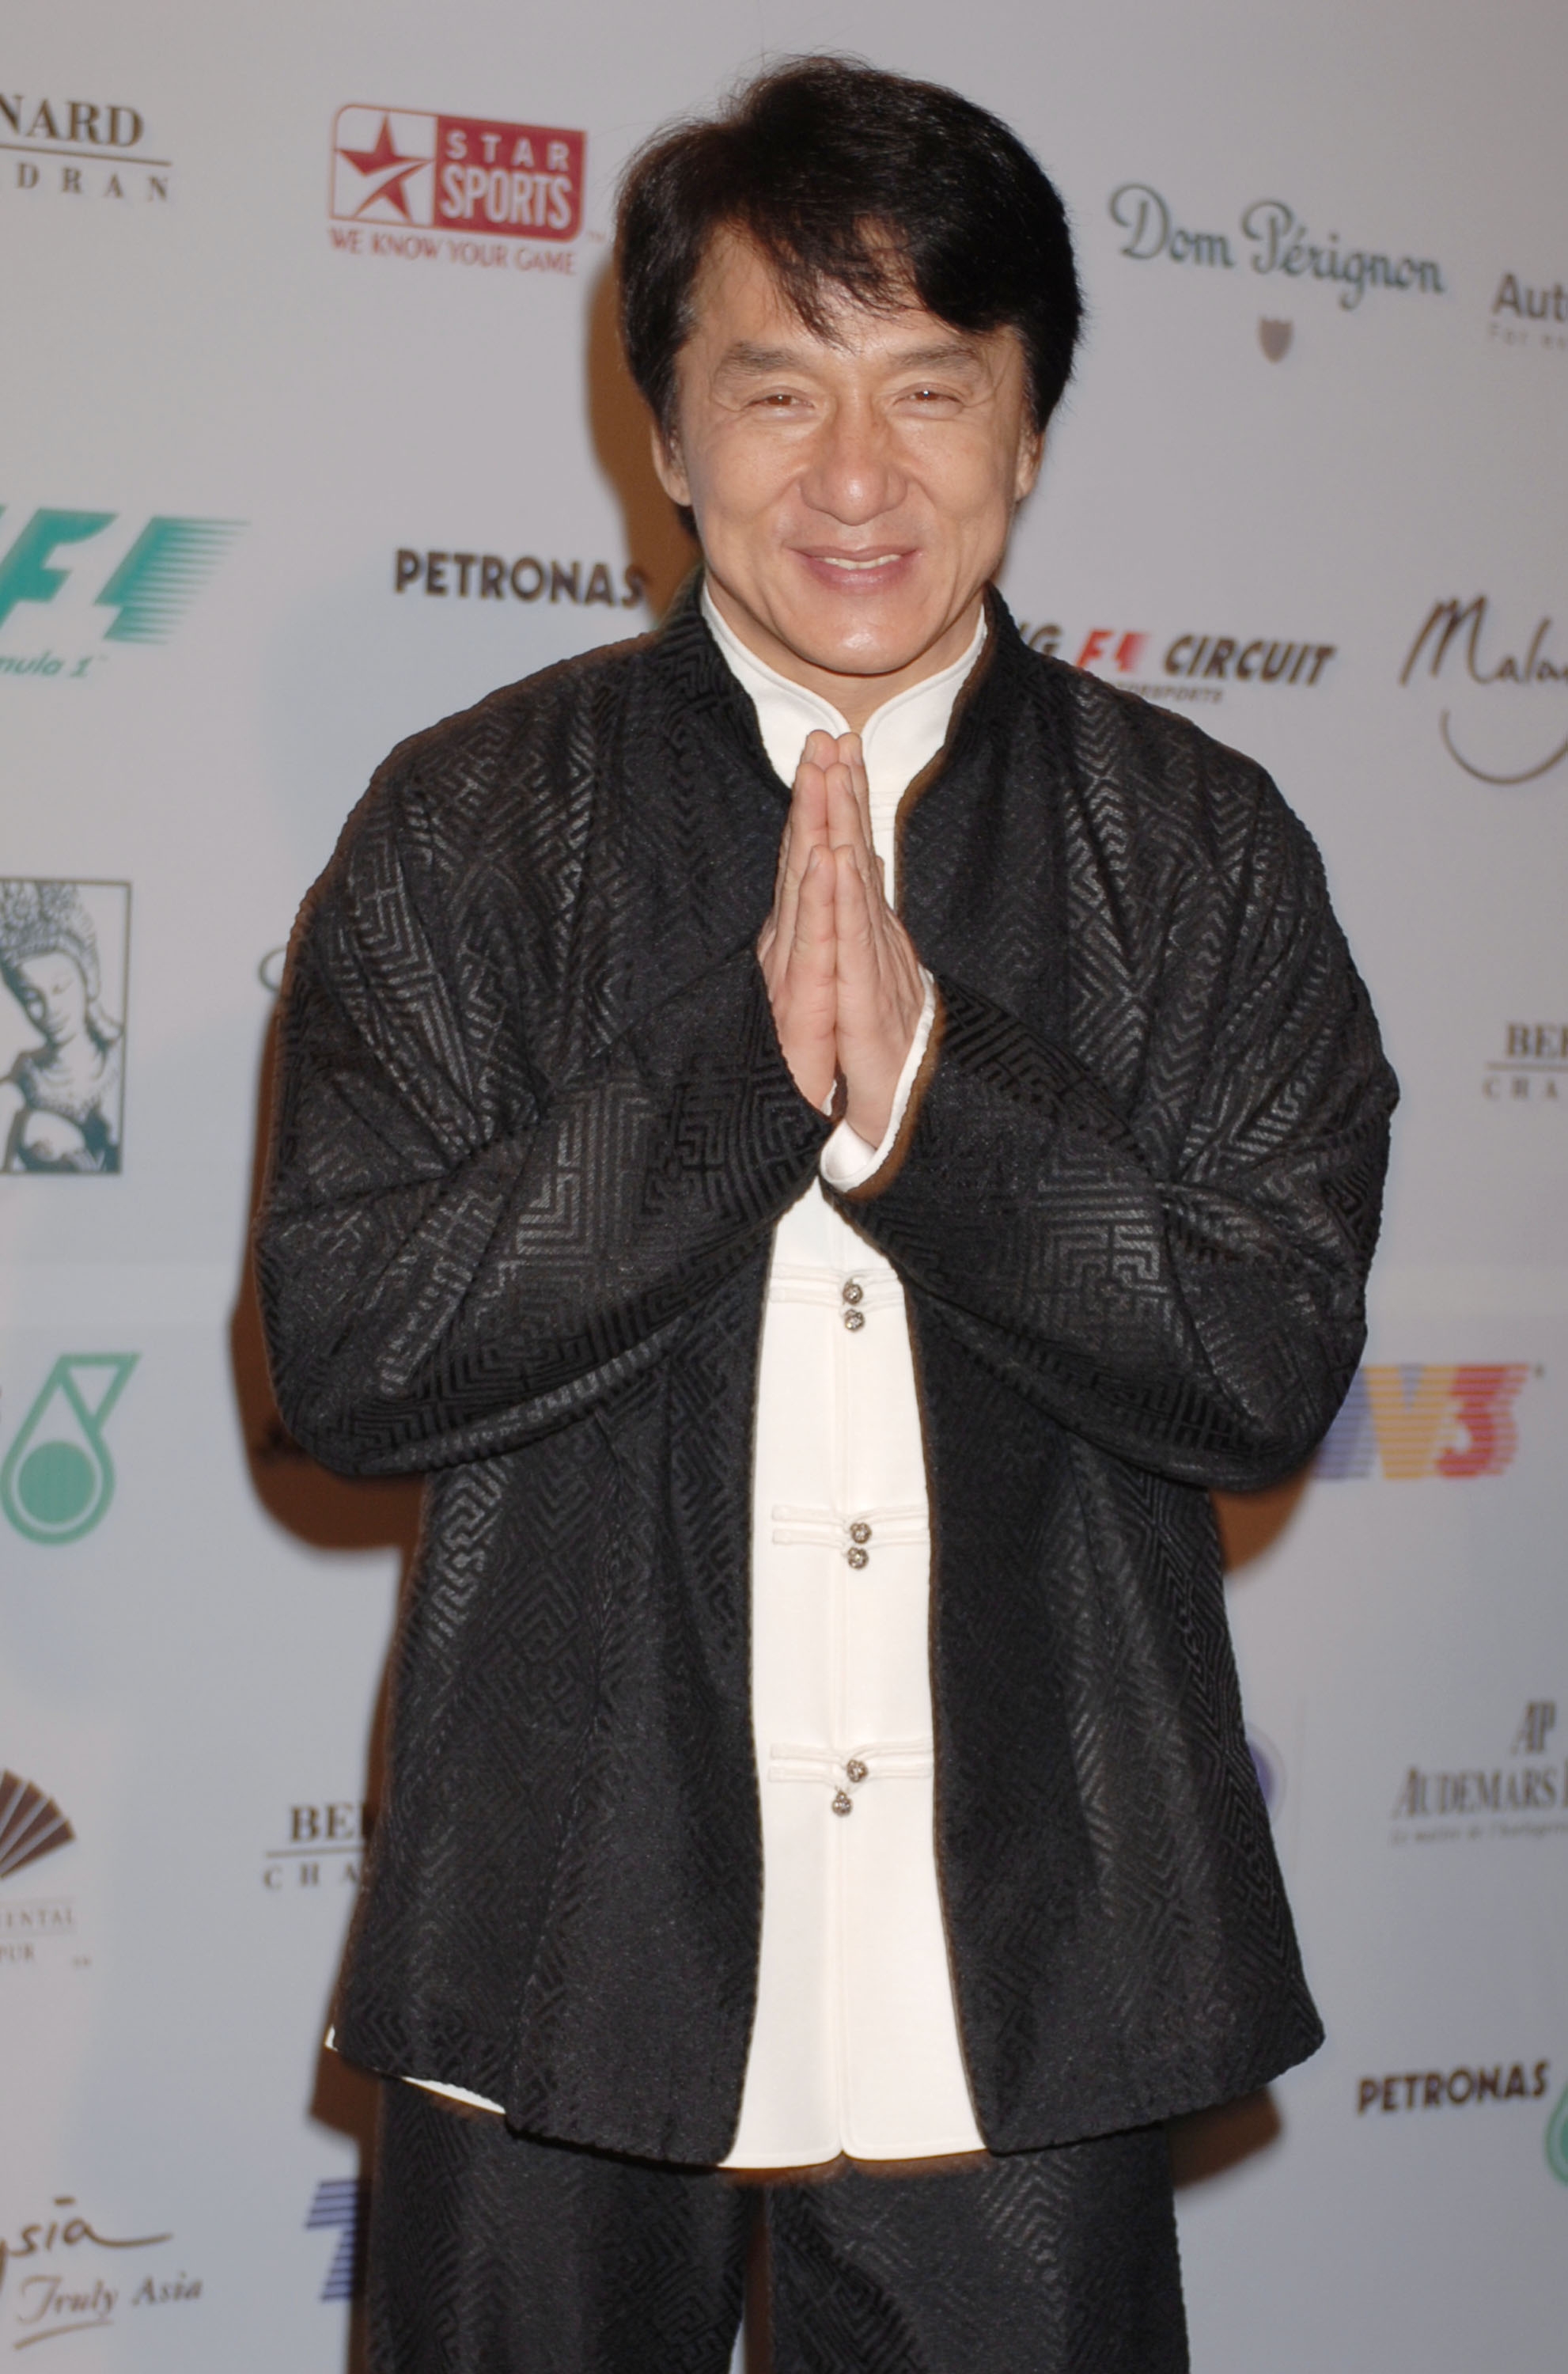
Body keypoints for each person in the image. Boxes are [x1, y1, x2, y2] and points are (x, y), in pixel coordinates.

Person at [258, 57, 1396, 2374]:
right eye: (778, 391)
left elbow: (1265, 1358)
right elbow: (354, 1351)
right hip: (561, 1936)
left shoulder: (1199, 851)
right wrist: (736, 1081)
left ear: (1028, 426)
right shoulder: (471, 823)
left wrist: (929, 1106)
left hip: (1029, 1963)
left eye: (929, 390)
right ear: (668, 436)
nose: (855, 477)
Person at [0, 878, 123, 1173]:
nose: (51, 1009)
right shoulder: (15, 1092)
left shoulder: (124, 1065)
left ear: (88, 978)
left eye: (61, 987)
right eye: (33, 997)